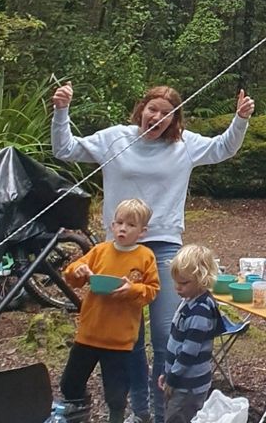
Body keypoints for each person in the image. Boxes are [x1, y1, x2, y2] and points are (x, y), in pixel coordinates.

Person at [52, 81, 255, 423]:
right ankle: (140, 411)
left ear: (175, 120)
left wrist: (240, 119)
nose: (157, 117)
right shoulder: (116, 137)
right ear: (141, 109)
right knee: (129, 338)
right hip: (119, 248)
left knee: (166, 335)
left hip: (163, 247)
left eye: (166, 114)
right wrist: (61, 110)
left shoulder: (184, 145)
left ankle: (163, 415)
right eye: (152, 110)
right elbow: (65, 149)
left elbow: (223, 149)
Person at [59, 198, 160, 423]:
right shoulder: (100, 251)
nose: (123, 228)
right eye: (119, 223)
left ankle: (116, 418)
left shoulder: (145, 256)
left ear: (142, 232)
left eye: (131, 225)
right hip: (89, 334)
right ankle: (78, 412)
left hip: (119, 340)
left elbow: (152, 290)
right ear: (112, 225)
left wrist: (131, 289)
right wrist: (79, 271)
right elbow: (71, 274)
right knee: (70, 383)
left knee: (116, 392)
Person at [158, 244, 223, 423]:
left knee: (178, 418)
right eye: (176, 282)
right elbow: (176, 340)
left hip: (188, 386)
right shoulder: (189, 301)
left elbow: (188, 351)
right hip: (180, 379)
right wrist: (167, 370)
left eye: (184, 283)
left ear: (202, 279)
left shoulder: (200, 311)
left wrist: (172, 378)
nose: (178, 288)